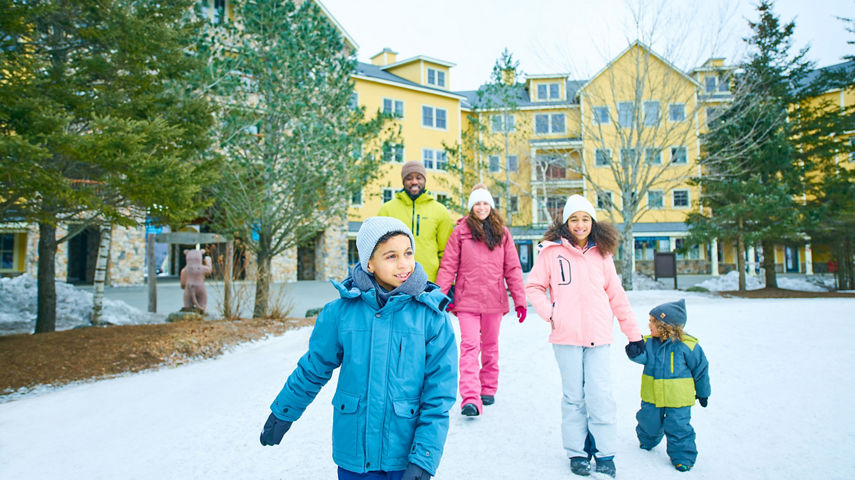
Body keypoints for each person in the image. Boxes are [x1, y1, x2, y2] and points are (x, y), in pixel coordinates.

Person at [259, 217, 458, 480]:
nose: (403, 263)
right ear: (370, 263)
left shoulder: (431, 316)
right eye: (391, 256)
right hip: (354, 454)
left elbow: (438, 395)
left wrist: (424, 457)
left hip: (404, 455)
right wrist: (284, 410)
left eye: (408, 253)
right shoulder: (341, 313)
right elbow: (313, 368)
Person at [524, 194, 642, 478]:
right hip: (566, 337)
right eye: (574, 219)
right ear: (566, 222)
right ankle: (577, 452)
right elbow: (534, 287)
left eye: (585, 219)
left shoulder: (603, 253)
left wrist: (634, 334)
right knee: (574, 397)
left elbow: (616, 295)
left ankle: (605, 452)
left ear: (593, 222)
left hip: (599, 336)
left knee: (601, 396)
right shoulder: (550, 252)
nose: (579, 224)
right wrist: (552, 312)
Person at [435, 185, 526, 417]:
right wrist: (439, 296)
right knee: (469, 346)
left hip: (494, 300)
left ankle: (487, 388)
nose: (482, 207)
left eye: (485, 203)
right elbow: (448, 265)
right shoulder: (460, 232)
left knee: (490, 347)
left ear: (491, 206)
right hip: (467, 301)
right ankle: (470, 398)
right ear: (471, 207)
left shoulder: (502, 234)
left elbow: (513, 268)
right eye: (477, 203)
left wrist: (520, 300)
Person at [625, 299, 711, 473]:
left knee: (679, 427)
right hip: (652, 395)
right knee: (648, 421)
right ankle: (647, 440)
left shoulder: (689, 346)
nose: (649, 325)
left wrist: (703, 392)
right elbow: (642, 358)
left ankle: (683, 457)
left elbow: (701, 370)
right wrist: (634, 352)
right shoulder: (648, 343)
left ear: (666, 326)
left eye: (652, 321)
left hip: (678, 399)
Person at [378, 160, 453, 283]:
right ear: (403, 181)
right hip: (395, 281)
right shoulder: (387, 210)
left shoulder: (440, 211)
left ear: (424, 180)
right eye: (409, 178)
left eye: (419, 178)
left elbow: (446, 253)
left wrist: (444, 284)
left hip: (429, 281)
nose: (414, 182)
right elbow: (378, 249)